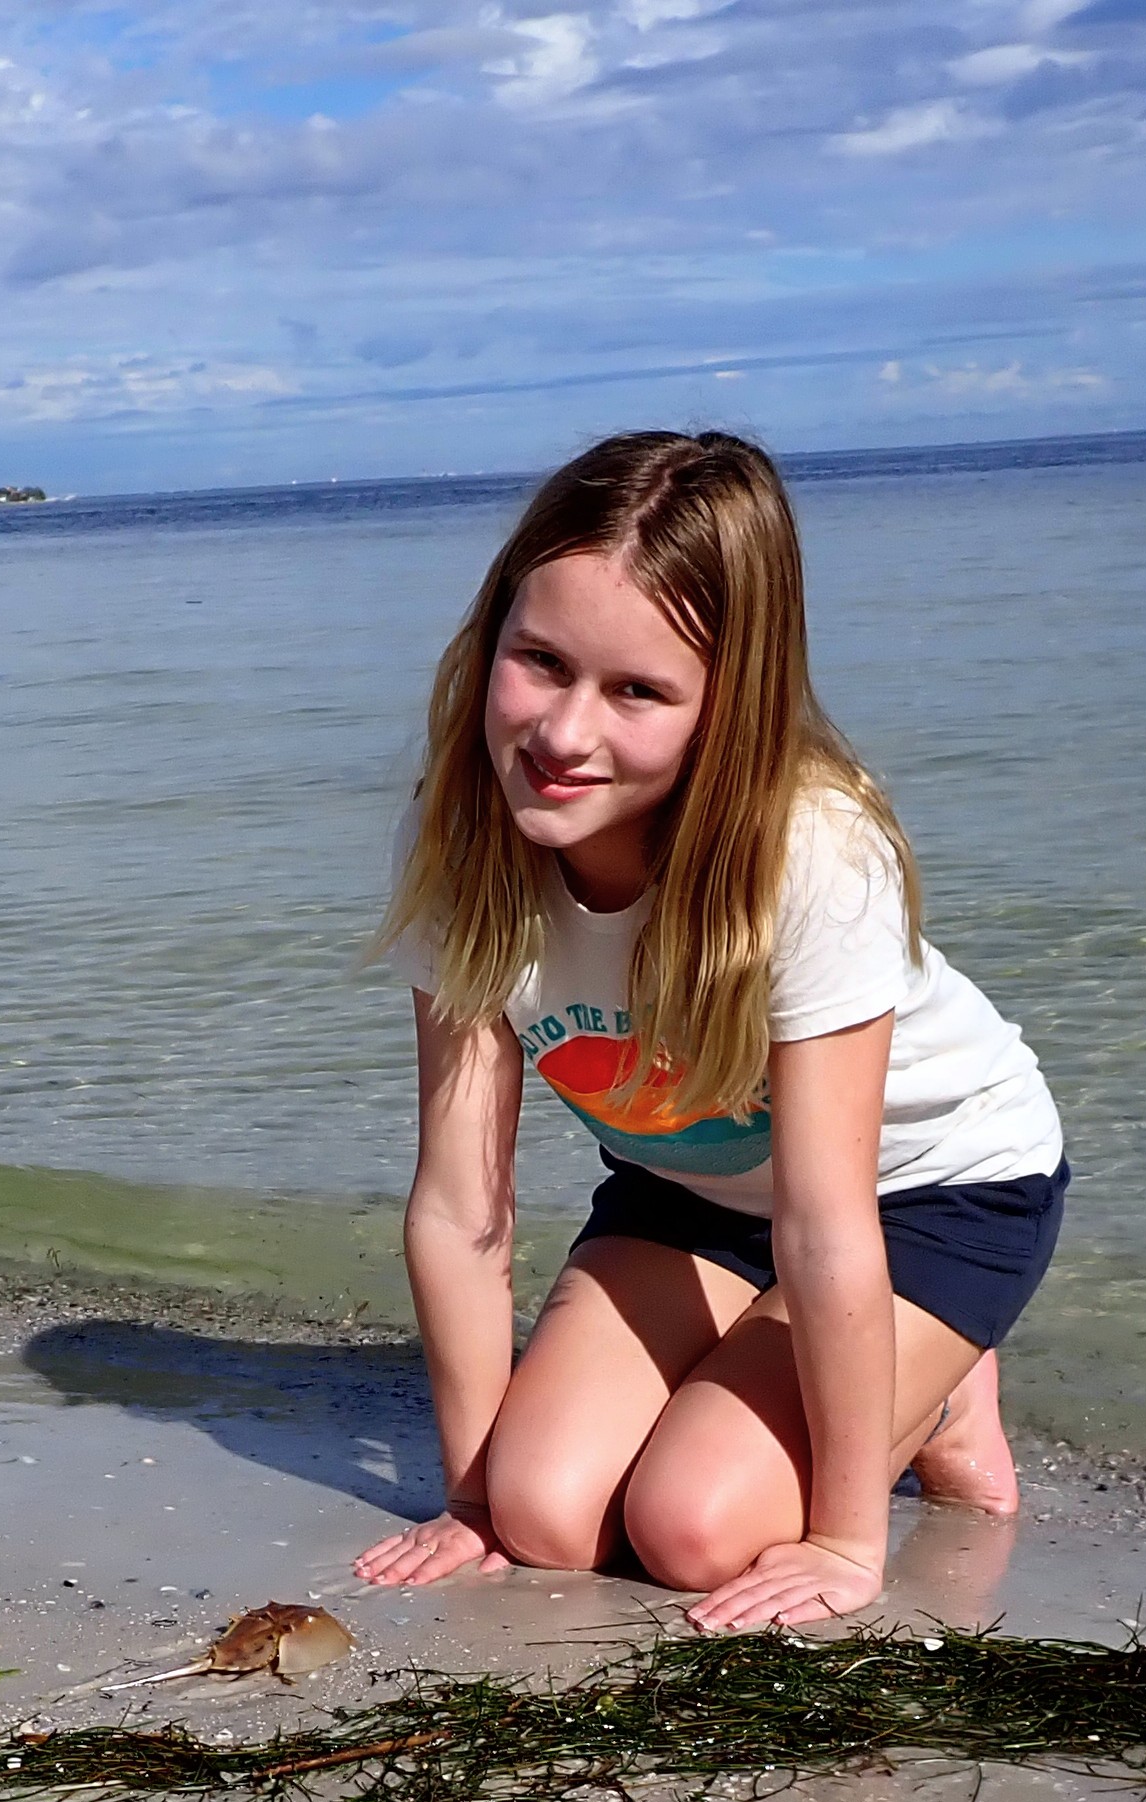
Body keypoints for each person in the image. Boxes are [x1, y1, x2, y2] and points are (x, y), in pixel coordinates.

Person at [351, 432, 1066, 1631]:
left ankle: (940, 1395)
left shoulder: (810, 848)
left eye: (638, 692)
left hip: (928, 1191)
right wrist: (468, 1496)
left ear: (726, 707)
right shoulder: (465, 838)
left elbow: (829, 1221)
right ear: (491, 640)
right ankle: (785, 1362)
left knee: (692, 1528)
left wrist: (848, 1536)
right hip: (688, 1186)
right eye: (540, 662)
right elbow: (460, 1202)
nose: (564, 734)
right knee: (544, 1514)